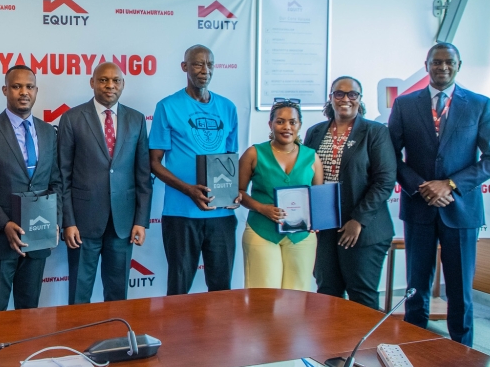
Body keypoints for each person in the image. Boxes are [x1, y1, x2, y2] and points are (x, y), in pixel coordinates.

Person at [389, 43, 490, 346]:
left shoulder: (479, 104)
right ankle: (412, 349)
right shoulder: (405, 104)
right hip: (419, 208)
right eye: (436, 62)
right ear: (427, 65)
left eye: (449, 62)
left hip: (462, 210)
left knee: (460, 291)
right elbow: (391, 156)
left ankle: (463, 354)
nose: (442, 67)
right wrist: (422, 186)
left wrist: (450, 184)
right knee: (415, 288)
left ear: (459, 65)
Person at [0, 65, 61, 312]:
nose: (23, 92)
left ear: (36, 91)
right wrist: (5, 224)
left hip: (38, 239)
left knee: (29, 313)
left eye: (29, 87)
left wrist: (55, 221)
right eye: (17, 86)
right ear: (5, 90)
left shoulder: (48, 131)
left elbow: (56, 183)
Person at [149, 45, 240, 295]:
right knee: (179, 291)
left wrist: (234, 193)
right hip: (181, 214)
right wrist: (189, 190)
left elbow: (230, 160)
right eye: (198, 64)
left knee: (221, 290)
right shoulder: (167, 106)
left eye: (209, 64)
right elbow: (154, 162)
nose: (205, 70)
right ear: (185, 67)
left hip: (221, 214)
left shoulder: (228, 108)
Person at [58, 62, 151, 304]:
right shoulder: (72, 118)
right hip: (82, 224)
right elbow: (63, 175)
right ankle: (78, 330)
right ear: (92, 82)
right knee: (79, 294)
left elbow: (143, 175)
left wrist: (141, 221)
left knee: (117, 294)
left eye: (116, 80)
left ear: (123, 84)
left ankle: (116, 330)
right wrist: (68, 221)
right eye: (103, 80)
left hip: (123, 224)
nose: (110, 85)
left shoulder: (137, 119)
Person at [304, 77, 396, 310]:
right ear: (331, 98)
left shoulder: (375, 132)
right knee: (327, 293)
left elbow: (384, 181)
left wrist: (358, 220)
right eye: (339, 93)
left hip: (364, 229)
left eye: (352, 94)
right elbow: (305, 175)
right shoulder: (315, 132)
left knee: (361, 297)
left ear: (359, 99)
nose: (345, 99)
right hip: (325, 228)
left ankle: (365, 338)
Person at [238, 100, 324, 291]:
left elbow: (318, 198)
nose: (287, 127)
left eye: (292, 122)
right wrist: (262, 208)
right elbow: (238, 192)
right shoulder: (254, 153)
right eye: (280, 121)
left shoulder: (312, 157)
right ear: (270, 124)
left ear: (299, 125)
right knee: (264, 296)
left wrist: (317, 220)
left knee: (297, 294)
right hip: (262, 232)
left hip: (301, 236)